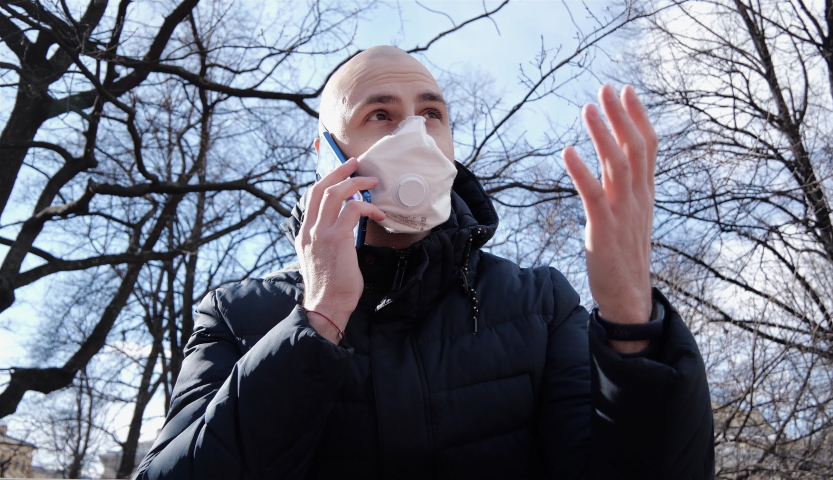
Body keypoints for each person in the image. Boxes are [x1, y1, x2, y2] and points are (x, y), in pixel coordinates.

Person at [134, 46, 713, 480]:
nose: (416, 131)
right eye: (380, 115)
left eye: (432, 113)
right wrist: (320, 319)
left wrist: (632, 322)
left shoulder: (539, 305)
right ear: (327, 153)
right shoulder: (241, 316)